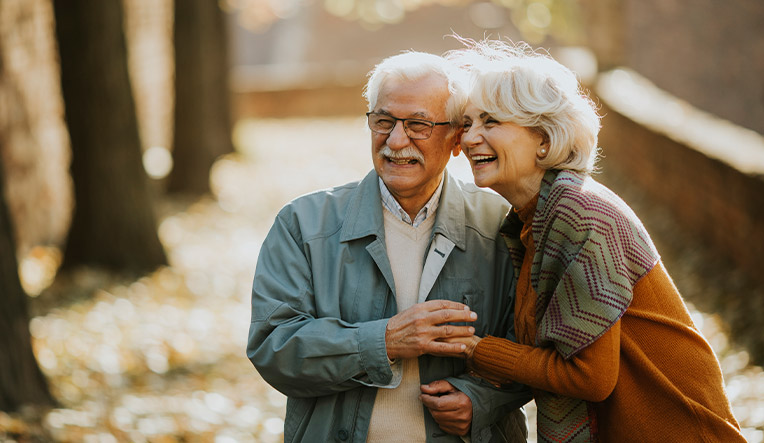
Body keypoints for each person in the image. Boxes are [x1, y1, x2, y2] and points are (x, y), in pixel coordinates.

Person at [437, 39, 746, 442]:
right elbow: (542, 351)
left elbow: (587, 377)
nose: (470, 138)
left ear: (544, 138)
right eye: (467, 123)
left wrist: (475, 349)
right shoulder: (530, 223)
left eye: (491, 122)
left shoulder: (580, 215)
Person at [247, 51, 531, 443]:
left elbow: (535, 348)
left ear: (456, 140)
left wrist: (481, 402)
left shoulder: (502, 225)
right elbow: (273, 347)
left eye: (418, 124)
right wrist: (384, 341)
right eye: (383, 121)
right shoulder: (303, 224)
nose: (396, 141)